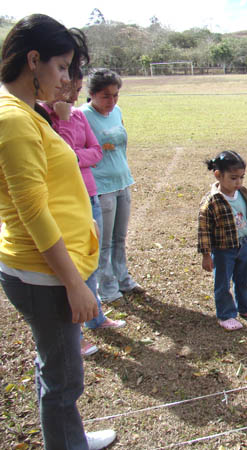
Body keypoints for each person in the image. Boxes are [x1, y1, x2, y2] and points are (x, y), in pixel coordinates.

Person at [0, 14, 116, 449]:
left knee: (54, 366)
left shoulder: (26, 113)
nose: (67, 79)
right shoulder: (12, 119)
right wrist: (74, 283)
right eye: (62, 66)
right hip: (46, 276)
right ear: (34, 60)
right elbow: (32, 211)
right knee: (64, 377)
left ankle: (68, 436)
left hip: (49, 271)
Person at [40, 73, 126, 357]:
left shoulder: (78, 116)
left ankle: (96, 318)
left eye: (77, 90)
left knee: (91, 255)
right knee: (71, 266)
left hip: (88, 195)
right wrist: (63, 123)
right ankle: (74, 335)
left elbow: (96, 152)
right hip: (65, 201)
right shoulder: (44, 117)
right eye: (69, 90)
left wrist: (77, 156)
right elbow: (59, 158)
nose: (73, 97)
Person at [80, 68, 144, 303]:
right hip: (101, 187)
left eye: (115, 95)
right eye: (106, 96)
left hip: (122, 182)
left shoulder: (117, 111)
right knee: (103, 242)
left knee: (119, 237)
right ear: (92, 93)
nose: (112, 101)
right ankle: (106, 288)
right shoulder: (82, 116)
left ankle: (123, 279)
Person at [198, 151, 247, 331]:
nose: (238, 182)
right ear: (218, 175)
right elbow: (204, 231)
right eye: (233, 178)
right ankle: (226, 315)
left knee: (244, 279)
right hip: (223, 250)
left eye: (241, 177)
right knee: (223, 283)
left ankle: (246, 307)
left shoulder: (242, 194)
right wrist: (206, 255)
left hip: (243, 244)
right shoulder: (212, 201)